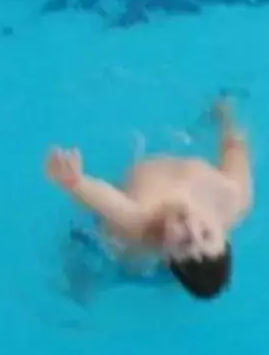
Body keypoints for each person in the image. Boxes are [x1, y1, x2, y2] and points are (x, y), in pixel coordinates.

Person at [45, 96, 254, 300]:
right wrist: (226, 113)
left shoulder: (142, 224)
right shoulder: (234, 196)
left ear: (167, 255)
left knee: (83, 267)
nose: (191, 226)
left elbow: (106, 202)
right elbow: (234, 145)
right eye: (206, 234)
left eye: (184, 241)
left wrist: (73, 181)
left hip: (114, 239)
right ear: (223, 233)